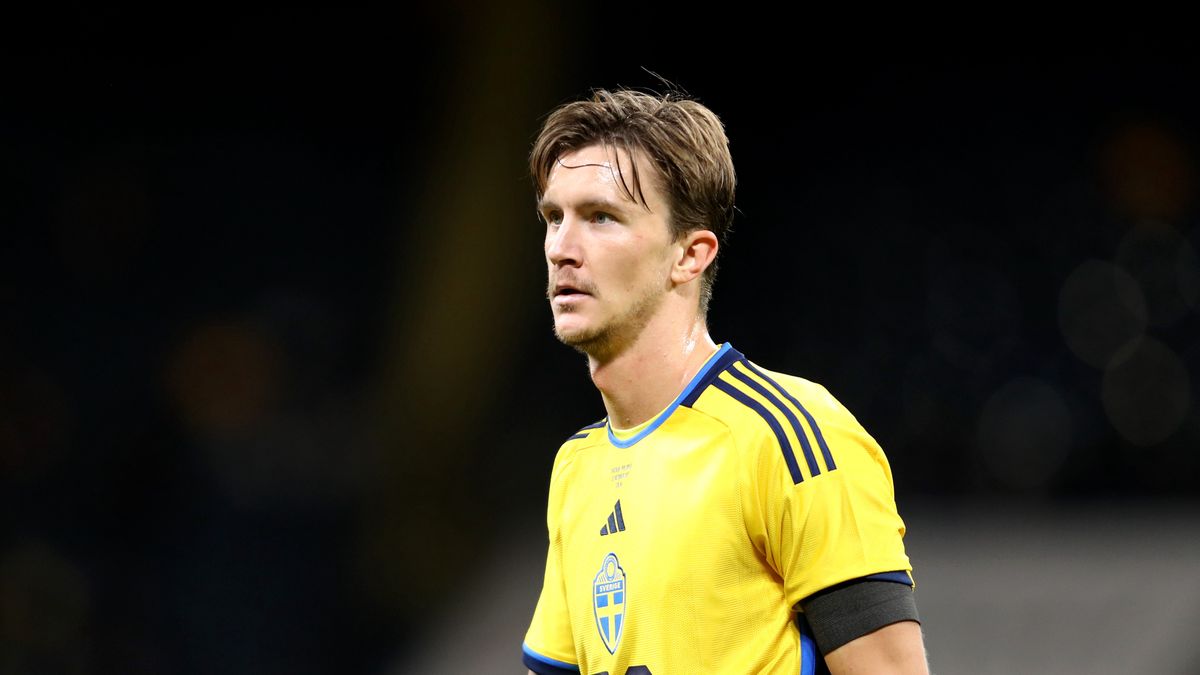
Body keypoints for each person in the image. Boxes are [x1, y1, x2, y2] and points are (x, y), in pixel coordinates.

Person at [521, 87, 928, 675]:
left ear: (690, 255)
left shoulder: (790, 435)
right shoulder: (576, 467)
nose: (561, 248)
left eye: (601, 217)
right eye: (553, 218)